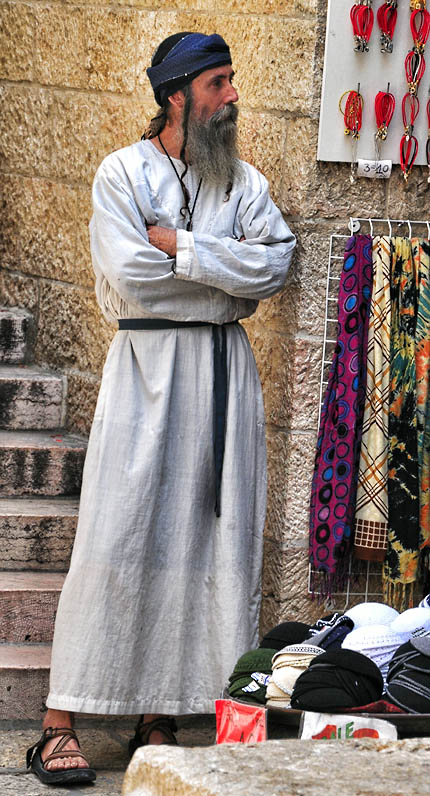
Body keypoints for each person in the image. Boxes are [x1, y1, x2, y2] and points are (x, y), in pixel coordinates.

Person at [26, 31, 296, 785]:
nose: (232, 96)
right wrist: (219, 271)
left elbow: (274, 263)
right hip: (146, 370)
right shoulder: (122, 175)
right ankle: (59, 719)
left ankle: (163, 710)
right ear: (177, 95)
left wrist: (182, 246)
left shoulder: (245, 181)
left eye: (232, 80)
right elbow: (134, 277)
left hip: (222, 379)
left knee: (208, 546)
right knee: (117, 536)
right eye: (218, 83)